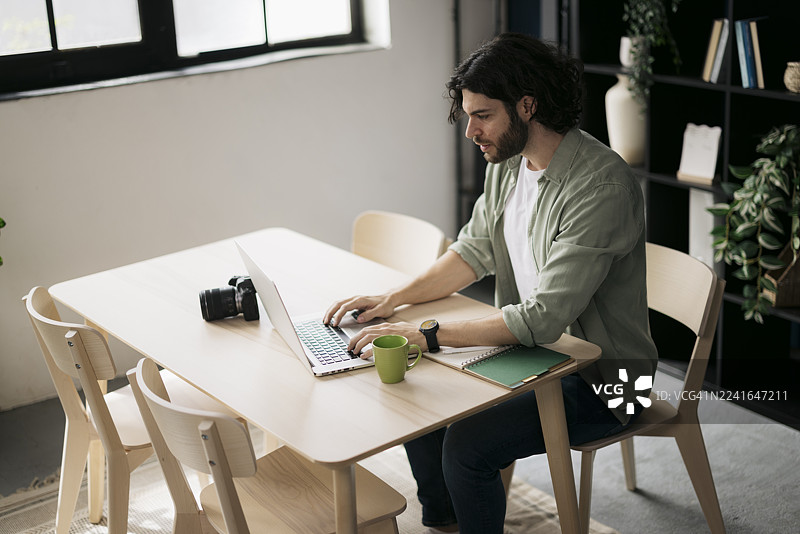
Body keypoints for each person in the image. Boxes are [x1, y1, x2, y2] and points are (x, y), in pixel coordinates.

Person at [324, 33, 657, 533]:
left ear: (527, 106)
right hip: (537, 356)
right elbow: (472, 250)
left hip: (609, 381)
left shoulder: (601, 186)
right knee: (418, 399)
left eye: (482, 115)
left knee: (466, 444)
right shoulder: (508, 163)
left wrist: (430, 333)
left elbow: (543, 317)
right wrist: (393, 300)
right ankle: (448, 522)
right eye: (467, 115)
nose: (470, 131)